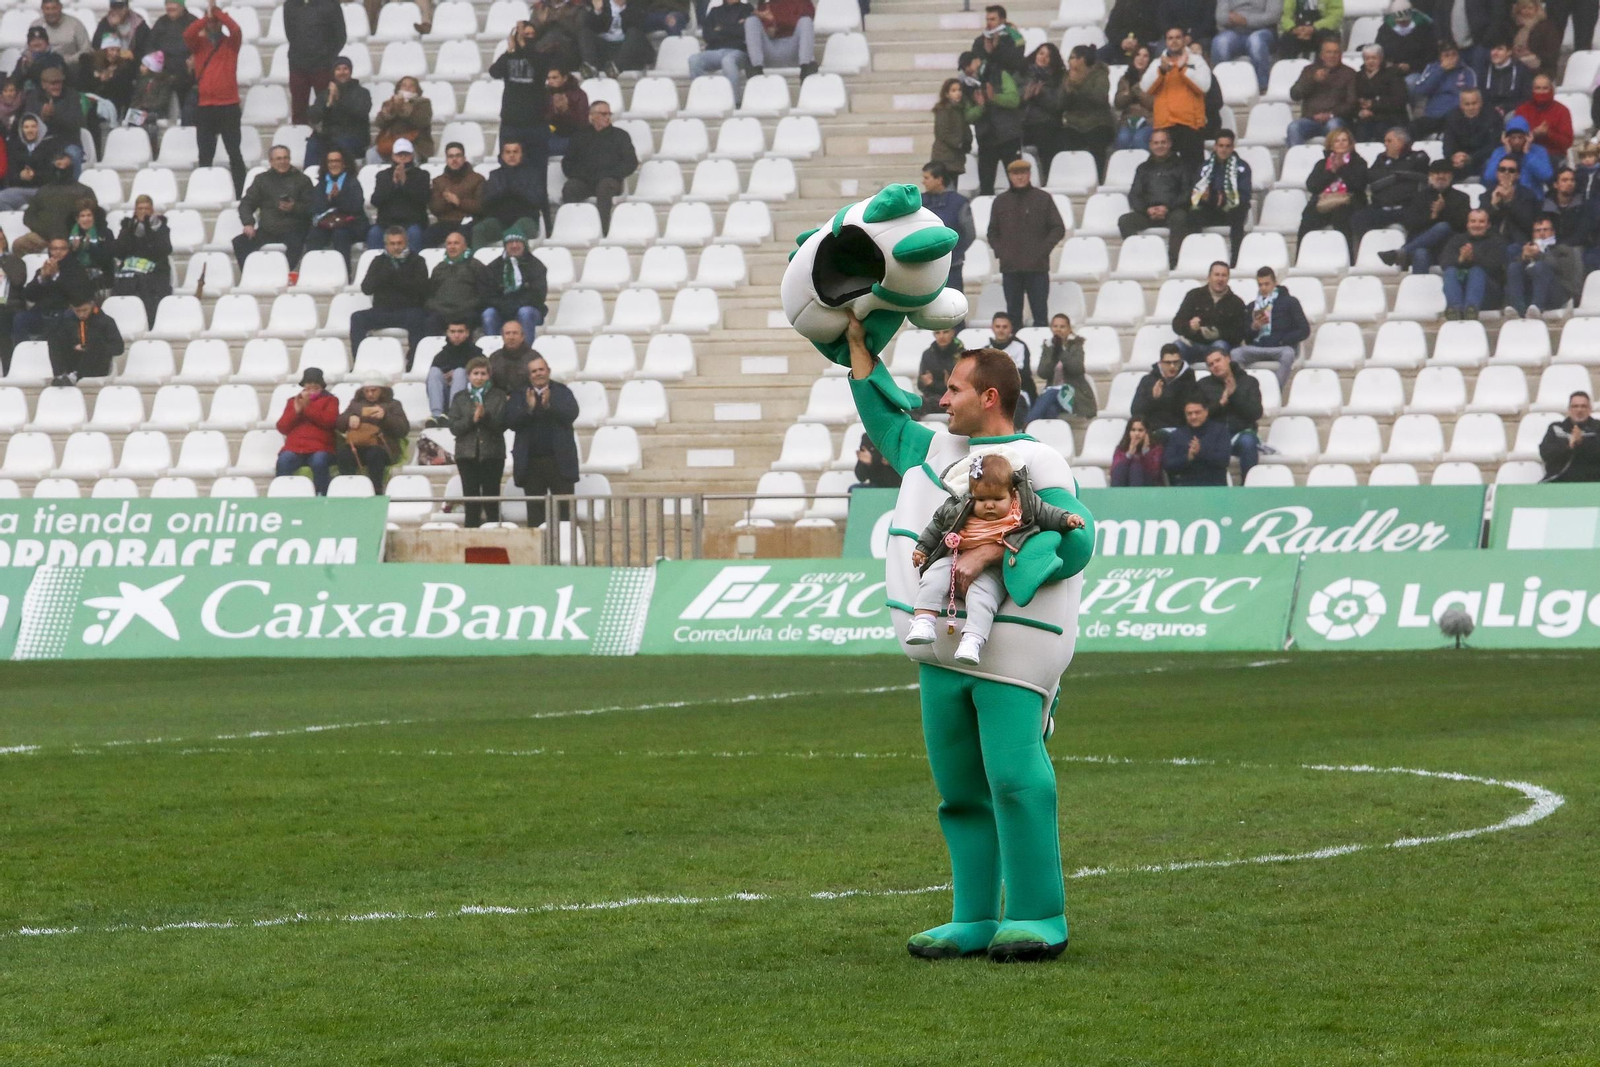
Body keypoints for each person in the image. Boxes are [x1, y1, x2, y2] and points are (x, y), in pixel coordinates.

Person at [838, 313, 1093, 962]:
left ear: (988, 397)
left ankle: (1039, 911)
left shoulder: (1035, 457)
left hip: (1008, 651)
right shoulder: (931, 452)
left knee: (1014, 778)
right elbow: (883, 418)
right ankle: (973, 914)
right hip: (937, 654)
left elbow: (1075, 529)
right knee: (960, 791)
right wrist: (857, 348)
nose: (940, 398)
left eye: (952, 389)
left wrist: (1039, 558)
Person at [907, 452, 1084, 665]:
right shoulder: (959, 507)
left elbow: (1047, 513)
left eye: (997, 499)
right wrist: (923, 548)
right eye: (981, 499)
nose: (989, 505)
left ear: (1012, 493)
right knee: (934, 575)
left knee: (983, 596)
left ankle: (973, 640)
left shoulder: (1024, 506)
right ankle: (923, 620)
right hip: (957, 556)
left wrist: (1067, 519)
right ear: (971, 496)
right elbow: (936, 525)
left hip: (996, 569)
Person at [504, 354, 580, 528]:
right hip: (531, 463)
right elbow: (511, 422)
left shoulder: (562, 391)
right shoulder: (519, 394)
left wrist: (549, 406)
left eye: (541, 369)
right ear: (529, 375)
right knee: (536, 514)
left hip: (559, 462)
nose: (538, 374)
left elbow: (571, 414)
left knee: (564, 513)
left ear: (548, 371)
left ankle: (566, 551)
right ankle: (540, 553)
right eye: (534, 371)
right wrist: (529, 409)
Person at [987, 159, 1064, 328]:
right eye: (1016, 174)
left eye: (1023, 173)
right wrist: (1002, 252)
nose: (1020, 177)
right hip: (1010, 268)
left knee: (1040, 315)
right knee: (1013, 317)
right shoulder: (1000, 201)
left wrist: (1043, 250)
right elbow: (992, 232)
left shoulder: (1043, 198)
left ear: (1029, 175)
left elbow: (1058, 228)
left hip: (1037, 267)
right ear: (1009, 176)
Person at [184, 4, 246, 197]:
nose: (214, 24)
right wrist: (206, 18)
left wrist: (218, 13)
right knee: (205, 155)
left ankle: (240, 192)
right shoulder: (199, 45)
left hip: (228, 105)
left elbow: (235, 29)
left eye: (216, 22)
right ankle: (205, 192)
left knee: (234, 153)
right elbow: (187, 34)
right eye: (212, 21)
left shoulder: (231, 43)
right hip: (205, 106)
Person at [351, 225, 431, 360]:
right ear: (386, 245)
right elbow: (366, 288)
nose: (396, 247)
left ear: (406, 243)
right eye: (392, 243)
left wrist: (395, 277)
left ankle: (414, 360)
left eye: (399, 243)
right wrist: (386, 274)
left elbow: (421, 289)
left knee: (419, 318)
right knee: (357, 318)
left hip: (408, 311)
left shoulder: (417, 261)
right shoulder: (379, 261)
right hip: (382, 311)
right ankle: (359, 360)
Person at [1379, 158, 1471, 272]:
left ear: (1451, 176)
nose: (1441, 176)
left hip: (1447, 248)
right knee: (1420, 253)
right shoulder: (1419, 197)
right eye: (1437, 173)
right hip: (1421, 247)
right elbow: (1410, 223)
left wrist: (1443, 210)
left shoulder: (1462, 198)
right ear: (1430, 176)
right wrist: (1433, 216)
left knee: (1443, 227)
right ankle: (1418, 288)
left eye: (1445, 173)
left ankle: (1402, 252)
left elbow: (1462, 224)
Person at [448, 356, 509, 527]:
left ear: (489, 375)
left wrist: (485, 416)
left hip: (492, 453)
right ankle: (471, 532)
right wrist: (472, 419)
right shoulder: (460, 397)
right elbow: (454, 427)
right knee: (471, 497)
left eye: (483, 373)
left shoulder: (498, 396)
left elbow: (502, 424)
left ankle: (494, 530)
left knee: (491, 496)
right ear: (469, 375)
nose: (479, 377)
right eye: (475, 373)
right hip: (466, 454)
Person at [1116, 129, 1190, 270]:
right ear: (1150, 145)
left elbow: (1186, 193)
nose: (1159, 146)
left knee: (1181, 218)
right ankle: (1138, 258)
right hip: (1147, 213)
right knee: (1125, 221)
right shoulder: (1143, 168)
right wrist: (1147, 209)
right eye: (1156, 143)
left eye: (1163, 142)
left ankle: (1172, 262)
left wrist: (1167, 208)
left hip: (1172, 211)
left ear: (1169, 144)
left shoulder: (1181, 166)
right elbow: (1134, 195)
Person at [561, 100, 637, 236]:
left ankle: (603, 230)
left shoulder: (620, 136)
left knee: (604, 187)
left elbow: (630, 162)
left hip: (610, 179)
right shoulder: (580, 136)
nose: (607, 117)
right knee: (570, 188)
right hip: (585, 180)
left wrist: (613, 174)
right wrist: (580, 175)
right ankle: (573, 229)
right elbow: (567, 163)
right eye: (603, 114)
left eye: (609, 114)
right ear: (592, 116)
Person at [1141, 25, 1211, 166]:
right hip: (1165, 125)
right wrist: (1161, 71)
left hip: (1191, 125)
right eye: (1170, 38)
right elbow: (1145, 87)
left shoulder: (1196, 60)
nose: (1174, 41)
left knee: (1193, 171)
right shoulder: (1158, 63)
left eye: (1178, 37)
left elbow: (1204, 86)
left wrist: (1182, 69)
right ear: (1166, 41)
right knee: (1167, 172)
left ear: (1185, 40)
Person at [234, 144, 313, 268]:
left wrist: (294, 207)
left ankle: (284, 276)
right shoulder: (261, 180)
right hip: (268, 229)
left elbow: (311, 207)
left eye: (285, 158)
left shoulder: (302, 180)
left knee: (297, 244)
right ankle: (251, 275)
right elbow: (246, 203)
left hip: (295, 228)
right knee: (240, 242)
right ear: (271, 161)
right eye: (279, 158)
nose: (283, 161)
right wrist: (248, 223)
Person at [1231, 266, 1309, 388]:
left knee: (1288, 354)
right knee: (1236, 354)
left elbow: (1304, 330)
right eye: (1260, 285)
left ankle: (1275, 391)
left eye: (1267, 284)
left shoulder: (1290, 302)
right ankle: (1244, 391)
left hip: (1280, 347)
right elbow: (1246, 337)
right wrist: (1254, 327)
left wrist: (1283, 340)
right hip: (1258, 347)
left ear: (1275, 283)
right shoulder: (1252, 306)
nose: (1263, 288)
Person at [1351, 127, 1428, 247]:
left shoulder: (1419, 156)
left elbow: (1420, 172)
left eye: (1389, 141)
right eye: (1385, 141)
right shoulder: (1381, 158)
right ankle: (1370, 249)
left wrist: (1392, 172)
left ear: (1402, 141)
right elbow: (1372, 176)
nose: (1385, 144)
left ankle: (1407, 254)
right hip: (1382, 208)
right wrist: (1398, 175)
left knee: (1421, 219)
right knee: (1358, 218)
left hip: (1407, 207)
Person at [1299, 126, 1368, 259]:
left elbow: (1358, 185)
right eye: (1337, 141)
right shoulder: (1322, 164)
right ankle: (1302, 257)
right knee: (1308, 216)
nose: (1341, 143)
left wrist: (1342, 169)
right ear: (1331, 144)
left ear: (1350, 143)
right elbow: (1312, 186)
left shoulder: (1358, 163)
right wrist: (1331, 172)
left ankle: (1348, 259)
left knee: (1341, 216)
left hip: (1349, 201)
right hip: (1325, 201)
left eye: (1344, 140)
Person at [1184, 129, 1250, 266]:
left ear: (1233, 147)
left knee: (1239, 210)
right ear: (1215, 146)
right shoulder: (1205, 167)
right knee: (1192, 212)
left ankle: (1235, 260)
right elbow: (1197, 190)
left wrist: (1223, 198)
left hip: (1232, 209)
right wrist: (1207, 197)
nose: (1224, 150)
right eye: (1221, 146)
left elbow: (1244, 195)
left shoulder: (1242, 167)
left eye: (1227, 146)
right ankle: (1195, 258)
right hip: (1211, 208)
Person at [961, 51, 1023, 196]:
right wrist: (981, 106)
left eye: (968, 65)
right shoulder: (966, 87)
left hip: (1009, 136)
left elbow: (1014, 99)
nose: (967, 70)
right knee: (986, 184)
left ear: (977, 61)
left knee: (1017, 181)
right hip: (986, 138)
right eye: (964, 68)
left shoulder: (999, 74)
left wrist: (994, 97)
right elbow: (969, 116)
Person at [336, 373, 408, 493]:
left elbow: (403, 429)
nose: (370, 394)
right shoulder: (355, 404)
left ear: (382, 390)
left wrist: (385, 417)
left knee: (375, 455)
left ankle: (376, 489)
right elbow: (339, 422)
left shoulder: (393, 405)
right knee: (344, 454)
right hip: (357, 446)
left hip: (382, 446)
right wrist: (349, 419)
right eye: (367, 391)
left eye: (374, 390)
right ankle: (347, 489)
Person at [491, 20, 555, 155]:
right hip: (511, 123)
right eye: (525, 34)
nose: (528, 37)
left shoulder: (542, 55)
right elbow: (494, 72)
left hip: (535, 123)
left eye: (532, 34)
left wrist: (524, 46)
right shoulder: (510, 56)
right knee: (508, 167)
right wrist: (509, 51)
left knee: (536, 167)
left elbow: (540, 68)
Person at [1196, 348, 1262, 478]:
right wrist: (1221, 403)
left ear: (1228, 359)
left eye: (1218, 360)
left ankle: (1248, 486)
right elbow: (1197, 416)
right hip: (1213, 434)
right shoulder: (1203, 385)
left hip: (1240, 433)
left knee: (1248, 442)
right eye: (1211, 364)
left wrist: (1234, 395)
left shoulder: (1249, 381)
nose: (1215, 365)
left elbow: (1256, 413)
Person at [274, 366, 340, 494]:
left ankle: (321, 495)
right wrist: (296, 412)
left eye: (315, 388)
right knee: (283, 461)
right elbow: (282, 427)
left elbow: (330, 422)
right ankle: (282, 495)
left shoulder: (331, 400)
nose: (311, 391)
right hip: (295, 448)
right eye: (308, 387)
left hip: (321, 447)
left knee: (319, 461)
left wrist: (308, 408)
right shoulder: (293, 402)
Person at [283, 0, 347, 127]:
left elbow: (340, 36)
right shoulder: (290, 5)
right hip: (297, 64)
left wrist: (326, 56)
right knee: (299, 109)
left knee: (327, 107)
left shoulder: (331, 4)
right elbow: (290, 34)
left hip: (323, 66)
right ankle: (300, 140)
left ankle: (329, 142)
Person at [1503, 213, 1581, 317]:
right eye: (1538, 230)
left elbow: (1561, 270)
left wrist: (1539, 254)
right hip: (1531, 294)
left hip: (1557, 294)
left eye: (1545, 230)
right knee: (1514, 267)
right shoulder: (1527, 249)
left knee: (1540, 266)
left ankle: (1537, 308)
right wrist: (1523, 259)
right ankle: (1517, 309)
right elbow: (1511, 274)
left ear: (1552, 232)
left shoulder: (1563, 250)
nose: (1542, 233)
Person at [475, 140, 548, 248]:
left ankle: (517, 263)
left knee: (514, 232)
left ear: (521, 154)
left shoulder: (532, 174)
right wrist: (502, 192)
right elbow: (486, 201)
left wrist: (516, 191)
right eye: (508, 152)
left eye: (515, 152)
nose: (511, 155)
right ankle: (477, 263)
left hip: (526, 220)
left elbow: (537, 201)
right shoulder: (495, 175)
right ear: (502, 156)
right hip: (500, 221)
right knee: (478, 230)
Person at [1025, 313, 1096, 423]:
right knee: (1050, 410)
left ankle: (1025, 426)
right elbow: (1042, 373)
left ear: (1069, 329)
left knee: (1051, 392)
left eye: (1062, 327)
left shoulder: (1076, 345)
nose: (1058, 330)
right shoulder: (1048, 346)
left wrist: (1061, 352)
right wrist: (1053, 356)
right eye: (1055, 326)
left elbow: (1077, 369)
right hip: (1054, 397)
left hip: (1074, 395)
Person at [110, 194, 171, 322]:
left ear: (152, 210)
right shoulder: (128, 227)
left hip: (155, 272)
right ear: (135, 211)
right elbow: (119, 251)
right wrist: (128, 232)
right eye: (140, 209)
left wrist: (148, 230)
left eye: (146, 209)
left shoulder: (161, 228)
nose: (143, 212)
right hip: (131, 272)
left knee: (146, 286)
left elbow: (163, 251)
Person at [1172, 261, 1248, 363]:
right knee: (1175, 348)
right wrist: (1190, 327)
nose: (1220, 279)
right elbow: (1176, 324)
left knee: (1220, 346)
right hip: (1193, 346)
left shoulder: (1236, 302)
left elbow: (1240, 333)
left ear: (1228, 278)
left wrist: (1219, 334)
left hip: (1220, 347)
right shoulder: (1194, 295)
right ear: (1209, 277)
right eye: (1216, 275)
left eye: (1224, 275)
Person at [1286, 35, 1355, 147]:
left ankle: (1331, 162)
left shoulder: (1349, 73)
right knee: (1294, 127)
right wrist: (1312, 80)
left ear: (1341, 55)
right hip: (1310, 120)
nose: (1332, 56)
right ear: (1322, 55)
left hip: (1335, 119)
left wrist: (1331, 114)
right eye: (1329, 52)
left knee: (1334, 126)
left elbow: (1351, 103)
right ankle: (1298, 162)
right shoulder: (1309, 70)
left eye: (1336, 52)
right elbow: (1294, 94)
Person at [1057, 46, 1114, 181]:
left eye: (1075, 58)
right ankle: (1071, 178)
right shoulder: (1067, 76)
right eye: (1071, 58)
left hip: (1098, 122)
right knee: (1064, 139)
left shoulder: (1100, 74)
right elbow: (1060, 104)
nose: (1072, 62)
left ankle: (1098, 179)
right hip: (1074, 123)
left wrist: (1078, 85)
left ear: (1084, 59)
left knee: (1097, 141)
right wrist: (1068, 90)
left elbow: (1099, 98)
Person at [304, 56, 371, 168]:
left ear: (350, 71)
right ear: (333, 72)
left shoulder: (362, 93)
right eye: (338, 69)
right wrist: (329, 102)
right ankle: (311, 178)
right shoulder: (325, 94)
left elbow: (360, 112)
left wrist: (339, 99)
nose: (342, 72)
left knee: (340, 144)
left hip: (354, 136)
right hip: (329, 137)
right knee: (313, 144)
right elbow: (314, 117)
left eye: (345, 68)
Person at [16, 236, 89, 337]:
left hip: (65, 312)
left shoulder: (78, 271)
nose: (58, 252)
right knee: (20, 318)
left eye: (63, 249)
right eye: (54, 249)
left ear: (69, 250)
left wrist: (56, 276)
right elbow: (28, 295)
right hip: (42, 312)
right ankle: (21, 350)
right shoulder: (43, 270)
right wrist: (41, 278)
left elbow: (77, 297)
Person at [1441, 207, 1507, 319]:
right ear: (1467, 224)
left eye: (1481, 221)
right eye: (1473, 221)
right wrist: (1461, 259)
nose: (1477, 225)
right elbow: (1444, 263)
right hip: (1461, 291)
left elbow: (1495, 266)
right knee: (1450, 271)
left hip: (1489, 294)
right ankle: (1455, 310)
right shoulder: (1457, 240)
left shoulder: (1497, 241)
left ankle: (1470, 310)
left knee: (1476, 271)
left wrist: (1473, 258)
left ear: (1488, 225)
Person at [482, 227, 548, 338]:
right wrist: (503, 306)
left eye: (518, 242)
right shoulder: (494, 267)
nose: (514, 246)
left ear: (524, 244)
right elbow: (487, 294)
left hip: (529, 308)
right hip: (501, 309)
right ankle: (492, 350)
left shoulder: (536, 265)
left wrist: (515, 305)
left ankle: (526, 351)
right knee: (488, 314)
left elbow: (538, 295)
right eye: (510, 242)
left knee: (525, 313)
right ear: (505, 245)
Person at [919, 163, 973, 296]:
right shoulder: (919, 202)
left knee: (953, 303)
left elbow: (970, 233)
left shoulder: (959, 202)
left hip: (952, 266)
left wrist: (956, 251)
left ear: (939, 180)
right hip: (925, 266)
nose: (923, 181)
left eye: (927, 178)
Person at [365, 137, 427, 252]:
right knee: (374, 233)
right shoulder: (383, 175)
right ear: (393, 156)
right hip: (386, 223)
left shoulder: (422, 175)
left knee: (415, 233)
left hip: (412, 222)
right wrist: (393, 184)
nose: (402, 157)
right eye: (399, 154)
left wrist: (405, 183)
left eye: (406, 154)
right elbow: (376, 201)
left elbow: (423, 199)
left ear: (411, 156)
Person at [1408, 39, 1476, 140]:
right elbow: (1419, 90)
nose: (1450, 58)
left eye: (1453, 54)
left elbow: (1473, 94)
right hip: (1434, 115)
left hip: (1456, 115)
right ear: (1440, 57)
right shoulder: (1432, 68)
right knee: (1413, 127)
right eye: (1446, 55)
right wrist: (1441, 70)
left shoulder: (1467, 72)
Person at [688, 1, 753, 105]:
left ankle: (734, 103)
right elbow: (708, 36)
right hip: (714, 50)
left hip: (738, 50)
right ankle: (703, 99)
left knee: (728, 61)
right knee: (694, 60)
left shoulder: (747, 9)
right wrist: (734, 27)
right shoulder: (714, 11)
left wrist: (720, 29)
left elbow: (744, 32)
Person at [47, 297, 123, 384]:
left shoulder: (106, 321)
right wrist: (74, 346)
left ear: (92, 305)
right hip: (74, 360)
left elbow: (118, 348)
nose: (81, 314)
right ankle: (60, 375)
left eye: (85, 310)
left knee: (96, 342)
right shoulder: (67, 322)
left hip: (96, 363)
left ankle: (75, 376)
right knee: (54, 339)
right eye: (77, 311)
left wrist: (91, 347)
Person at [427, 230, 490, 334]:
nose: (452, 247)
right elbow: (430, 295)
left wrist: (464, 308)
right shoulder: (439, 268)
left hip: (467, 312)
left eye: (456, 243)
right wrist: (438, 308)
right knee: (431, 321)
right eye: (449, 243)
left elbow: (484, 294)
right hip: (442, 313)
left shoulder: (475, 266)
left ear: (464, 246)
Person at [23, 68, 82, 176]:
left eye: (59, 82)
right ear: (43, 84)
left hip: (67, 142)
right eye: (53, 83)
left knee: (74, 154)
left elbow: (75, 123)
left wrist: (55, 114)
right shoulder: (33, 98)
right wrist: (42, 116)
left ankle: (75, 188)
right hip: (42, 144)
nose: (57, 86)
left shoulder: (72, 96)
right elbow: (27, 122)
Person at [425, 141, 484, 247]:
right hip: (445, 223)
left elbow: (480, 207)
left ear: (464, 158)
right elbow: (435, 209)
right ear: (446, 159)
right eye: (451, 156)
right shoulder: (438, 181)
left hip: (468, 223)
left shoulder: (477, 179)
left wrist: (458, 202)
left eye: (458, 156)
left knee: (469, 234)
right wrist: (447, 200)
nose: (454, 159)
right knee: (428, 235)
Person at [1019, 44, 1065, 176]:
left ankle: (1048, 177)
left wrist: (1041, 95)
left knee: (1047, 134)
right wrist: (1025, 96)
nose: (1044, 57)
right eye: (1041, 53)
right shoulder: (1022, 73)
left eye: (1048, 56)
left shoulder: (1059, 77)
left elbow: (1057, 105)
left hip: (1046, 123)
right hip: (1023, 122)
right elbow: (1015, 99)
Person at [1211, 0, 1278, 91]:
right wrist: (1231, 18)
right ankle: (1223, 89)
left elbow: (1273, 15)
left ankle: (1262, 87)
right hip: (1234, 31)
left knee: (1256, 41)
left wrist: (1246, 21)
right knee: (1220, 42)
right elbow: (1220, 16)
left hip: (1263, 30)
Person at [1131, 342, 1198, 432]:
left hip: (1180, 431)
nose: (1172, 366)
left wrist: (1167, 395)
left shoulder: (1188, 380)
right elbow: (1135, 411)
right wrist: (1152, 398)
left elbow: (1188, 410)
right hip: (1153, 431)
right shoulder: (1148, 380)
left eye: (1176, 362)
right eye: (1168, 363)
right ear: (1160, 363)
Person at [1162, 399, 1232, 485]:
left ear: (1206, 412)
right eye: (1189, 414)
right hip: (1186, 487)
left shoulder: (1220, 431)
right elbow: (1168, 465)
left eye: (1197, 412)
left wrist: (1200, 452)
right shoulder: (1177, 435)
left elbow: (1224, 460)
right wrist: (1188, 457)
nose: (1193, 416)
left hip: (1214, 486)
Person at [424, 319, 479, 426]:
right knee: (434, 372)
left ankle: (453, 413)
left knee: (460, 372)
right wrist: (446, 378)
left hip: (469, 396)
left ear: (467, 333)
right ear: (448, 333)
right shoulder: (441, 356)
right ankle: (436, 415)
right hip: (445, 394)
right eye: (453, 332)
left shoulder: (477, 354)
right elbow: (431, 382)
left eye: (460, 331)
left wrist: (460, 375)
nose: (456, 335)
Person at [1350, 44, 1408, 142]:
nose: (1370, 61)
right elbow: (1353, 99)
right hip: (1365, 118)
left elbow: (1400, 100)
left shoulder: (1393, 74)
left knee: (1381, 129)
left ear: (1381, 58)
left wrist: (1374, 104)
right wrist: (1360, 112)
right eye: (1367, 58)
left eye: (1374, 58)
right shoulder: (1358, 76)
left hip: (1390, 117)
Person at [1443, 88, 1503, 181]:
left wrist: (1471, 157)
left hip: (1483, 158)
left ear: (1481, 103)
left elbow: (1493, 145)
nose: (1471, 107)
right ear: (1461, 105)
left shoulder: (1493, 117)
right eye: (1467, 104)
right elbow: (1448, 143)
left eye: (1474, 103)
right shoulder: (1452, 117)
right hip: (1460, 159)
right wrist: (1454, 156)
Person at [745, 0, 817, 79]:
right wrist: (768, 30)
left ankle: (806, 71)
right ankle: (756, 71)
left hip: (794, 48)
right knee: (751, 21)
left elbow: (809, 17)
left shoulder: (802, 2)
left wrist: (778, 23)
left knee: (806, 21)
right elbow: (764, 28)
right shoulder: (765, 2)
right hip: (771, 49)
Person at [1483, 115, 1553, 195]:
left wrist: (1527, 154)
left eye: (1520, 137)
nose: (1516, 142)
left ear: (1528, 137)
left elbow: (1546, 176)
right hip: (1505, 196)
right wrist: (1506, 154)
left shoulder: (1538, 151)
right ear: (1506, 138)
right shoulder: (1499, 152)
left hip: (1532, 198)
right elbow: (1489, 178)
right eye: (1513, 137)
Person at [1539, 390, 1600, 481]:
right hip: (1559, 481)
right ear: (1569, 409)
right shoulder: (1555, 428)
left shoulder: (1597, 428)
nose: (1579, 410)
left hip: (1592, 483)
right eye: (1575, 406)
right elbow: (1546, 454)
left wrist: (1581, 442)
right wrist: (1569, 446)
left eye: (1584, 406)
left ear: (1590, 409)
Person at [0, 113, 55, 212]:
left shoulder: (49, 146)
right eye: (26, 127)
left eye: (33, 126)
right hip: (20, 190)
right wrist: (21, 175)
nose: (30, 130)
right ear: (22, 130)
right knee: (1, 198)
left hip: (42, 190)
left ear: (39, 128)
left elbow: (52, 174)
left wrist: (35, 175)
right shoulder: (15, 147)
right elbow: (10, 175)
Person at [581, 0, 652, 76]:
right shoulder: (602, 4)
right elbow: (591, 26)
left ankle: (615, 68)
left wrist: (621, 9)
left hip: (626, 47)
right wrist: (598, 11)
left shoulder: (635, 7)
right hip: (606, 46)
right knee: (585, 33)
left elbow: (638, 25)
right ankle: (591, 67)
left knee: (634, 32)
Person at [373, 75, 433, 163]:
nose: (407, 88)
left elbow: (421, 122)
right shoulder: (389, 103)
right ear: (398, 88)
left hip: (416, 143)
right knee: (372, 154)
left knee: (408, 154)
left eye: (411, 86)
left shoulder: (423, 103)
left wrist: (403, 107)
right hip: (390, 142)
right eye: (404, 85)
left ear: (417, 89)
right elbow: (379, 123)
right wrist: (390, 110)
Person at [1481, 154, 1539, 246]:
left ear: (1518, 175)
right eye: (1502, 169)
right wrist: (1494, 206)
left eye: (1511, 170)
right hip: (1491, 242)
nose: (1506, 173)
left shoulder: (1528, 195)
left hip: (1518, 243)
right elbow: (1481, 223)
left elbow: (1528, 224)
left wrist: (1509, 202)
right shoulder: (1486, 195)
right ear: (1497, 173)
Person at [1512, 73, 1572, 161]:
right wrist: (1533, 134)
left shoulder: (1562, 111)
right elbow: (1514, 138)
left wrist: (1548, 134)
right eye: (1538, 88)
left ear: (1551, 89)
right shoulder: (1522, 109)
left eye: (1545, 88)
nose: (1541, 92)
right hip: (1526, 153)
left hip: (1553, 155)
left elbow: (1567, 142)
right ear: (1532, 89)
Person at [148, 1, 196, 103]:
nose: (170, 7)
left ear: (182, 5)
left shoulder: (193, 22)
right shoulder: (161, 22)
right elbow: (150, 45)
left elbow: (202, 47)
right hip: (163, 72)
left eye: (173, 3)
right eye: (167, 4)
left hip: (186, 72)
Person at [79, 34, 138, 118]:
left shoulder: (123, 68)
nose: (115, 54)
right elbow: (84, 85)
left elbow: (124, 91)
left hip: (112, 104)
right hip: (91, 102)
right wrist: (99, 80)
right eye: (112, 50)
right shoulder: (90, 64)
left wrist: (111, 80)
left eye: (117, 51)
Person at [1375, 0, 1435, 77]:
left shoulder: (1423, 29)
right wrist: (1388, 64)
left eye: (1405, 21)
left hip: (1417, 71)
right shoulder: (1385, 30)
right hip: (1391, 71)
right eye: (1399, 22)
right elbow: (1379, 51)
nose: (1403, 24)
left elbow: (1431, 56)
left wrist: (1410, 66)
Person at [1113, 45, 1156, 151]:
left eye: (1145, 56)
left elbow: (1153, 104)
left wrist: (1136, 90)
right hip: (1128, 121)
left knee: (1139, 139)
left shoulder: (1155, 79)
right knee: (1123, 139)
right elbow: (1118, 103)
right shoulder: (1125, 79)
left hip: (1149, 121)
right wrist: (1129, 94)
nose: (1141, 59)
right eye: (1138, 55)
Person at [970, 3, 1023, 86]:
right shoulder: (980, 41)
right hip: (986, 82)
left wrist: (996, 49)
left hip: (1009, 82)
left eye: (992, 19)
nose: (989, 23)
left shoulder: (1014, 39)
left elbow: (1014, 62)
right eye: (987, 19)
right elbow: (977, 62)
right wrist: (988, 52)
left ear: (1002, 20)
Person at [66, 201, 114, 290]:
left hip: (100, 275)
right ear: (77, 219)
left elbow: (107, 260)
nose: (86, 219)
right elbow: (65, 263)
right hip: (77, 275)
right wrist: (74, 250)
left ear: (94, 217)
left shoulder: (105, 233)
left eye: (89, 215)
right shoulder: (69, 235)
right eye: (82, 216)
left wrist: (90, 247)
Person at [916, 327, 961, 417]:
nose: (941, 336)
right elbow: (921, 384)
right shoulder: (927, 354)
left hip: (955, 400)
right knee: (914, 403)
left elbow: (960, 388)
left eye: (945, 332)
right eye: (937, 332)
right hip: (932, 398)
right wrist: (943, 385)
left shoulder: (961, 355)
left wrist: (932, 384)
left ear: (953, 332)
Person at [31, 0, 91, 66]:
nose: (51, 12)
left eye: (54, 8)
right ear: (42, 10)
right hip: (42, 66)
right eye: (47, 9)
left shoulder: (75, 24)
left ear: (60, 8)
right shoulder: (36, 25)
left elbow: (86, 50)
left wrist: (66, 60)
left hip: (70, 66)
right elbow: (28, 50)